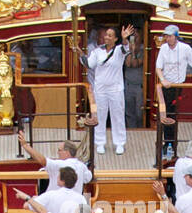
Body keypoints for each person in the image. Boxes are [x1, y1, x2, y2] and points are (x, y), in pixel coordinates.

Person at [87, 24, 136, 154]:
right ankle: (100, 143)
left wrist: (126, 38)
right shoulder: (97, 51)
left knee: (118, 116)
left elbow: (130, 48)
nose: (106, 37)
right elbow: (89, 64)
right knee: (100, 116)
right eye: (105, 35)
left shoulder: (120, 50)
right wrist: (80, 54)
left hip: (116, 89)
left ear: (115, 38)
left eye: (109, 35)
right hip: (100, 89)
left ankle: (119, 143)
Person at [155, 23, 192, 125]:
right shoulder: (163, 48)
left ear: (176, 37)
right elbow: (158, 68)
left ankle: (170, 139)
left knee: (172, 112)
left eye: (170, 36)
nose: (168, 39)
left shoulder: (185, 48)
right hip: (166, 85)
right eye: (166, 36)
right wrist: (162, 80)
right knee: (165, 110)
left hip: (177, 85)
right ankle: (167, 138)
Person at [15, 167, 86, 213]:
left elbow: (27, 206)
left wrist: (30, 198)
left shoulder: (50, 195)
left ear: (62, 181)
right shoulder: (81, 198)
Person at [17, 131, 91, 189]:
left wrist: (25, 146)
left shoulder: (60, 165)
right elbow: (88, 178)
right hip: (75, 204)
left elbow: (42, 160)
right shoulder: (82, 166)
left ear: (67, 152)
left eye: (59, 150)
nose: (57, 152)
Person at [123, 24, 144, 128]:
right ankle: (131, 132)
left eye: (136, 36)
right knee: (129, 113)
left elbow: (135, 64)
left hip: (139, 87)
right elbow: (128, 64)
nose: (134, 39)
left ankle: (140, 131)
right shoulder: (127, 49)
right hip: (128, 85)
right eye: (132, 36)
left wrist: (134, 52)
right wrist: (131, 49)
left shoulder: (145, 50)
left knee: (139, 113)